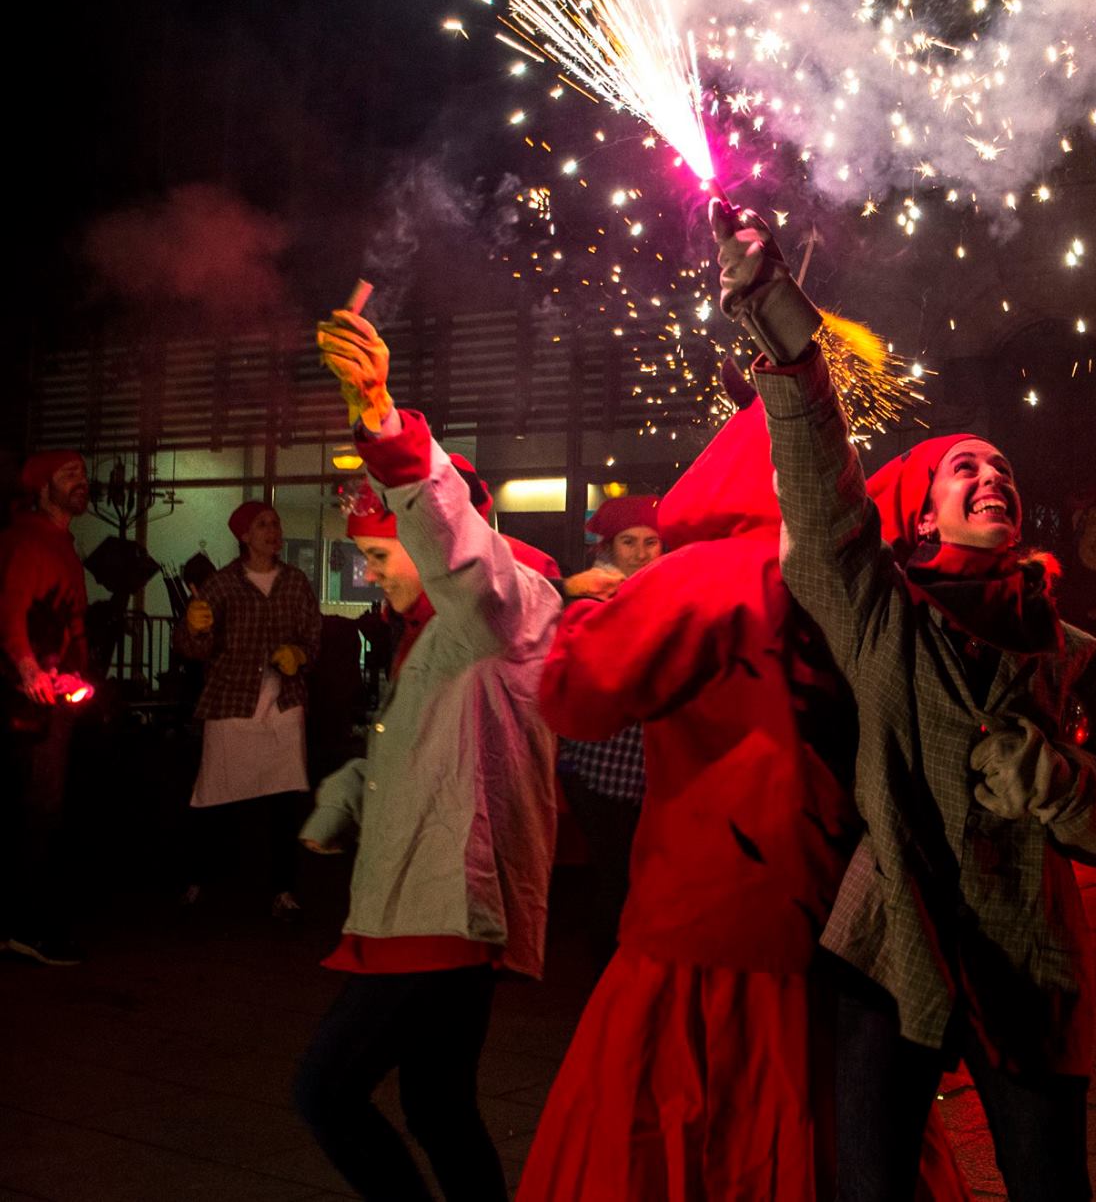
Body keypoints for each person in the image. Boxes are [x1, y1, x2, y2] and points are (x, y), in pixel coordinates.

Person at [712, 200, 1096, 1202]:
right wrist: (778, 323)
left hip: (1029, 957)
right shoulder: (884, 616)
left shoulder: (1082, 660)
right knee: (871, 1189)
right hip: (888, 946)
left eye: (1002, 468)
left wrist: (1050, 777)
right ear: (923, 513)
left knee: (1050, 1187)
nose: (990, 476)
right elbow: (819, 491)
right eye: (964, 467)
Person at [518, 402, 968, 1202]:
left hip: (703, 918)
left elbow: (574, 698)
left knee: (679, 1134)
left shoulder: (699, 574)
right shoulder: (862, 579)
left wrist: (587, 607)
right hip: (841, 914)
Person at [292, 307, 561, 1202]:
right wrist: (343, 796)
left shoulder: (503, 605)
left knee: (327, 1090)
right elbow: (409, 750)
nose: (369, 571)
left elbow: (458, 552)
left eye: (378, 555)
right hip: (424, 899)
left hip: (443, 903)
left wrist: (380, 414)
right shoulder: (429, 632)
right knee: (440, 1105)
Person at [172, 500, 321, 917]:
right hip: (231, 702)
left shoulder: (295, 583)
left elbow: (313, 636)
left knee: (284, 801)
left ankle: (283, 889)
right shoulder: (222, 584)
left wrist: (300, 654)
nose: (273, 531)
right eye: (262, 525)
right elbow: (190, 647)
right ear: (244, 535)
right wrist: (193, 628)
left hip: (283, 704)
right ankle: (199, 879)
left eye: (275, 523)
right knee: (215, 797)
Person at [554, 492, 661, 970]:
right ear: (609, 547)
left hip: (637, 760)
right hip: (597, 758)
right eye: (629, 542)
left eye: (650, 542)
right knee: (619, 871)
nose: (640, 552)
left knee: (628, 870)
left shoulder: (659, 588)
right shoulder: (596, 593)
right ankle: (612, 970)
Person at [1, 450, 92, 966]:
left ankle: (17, 923)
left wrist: (79, 674)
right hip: (28, 701)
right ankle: (27, 928)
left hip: (50, 696)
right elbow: (10, 609)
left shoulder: (59, 544)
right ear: (42, 487)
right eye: (68, 475)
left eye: (82, 473)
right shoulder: (30, 541)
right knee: (37, 810)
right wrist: (29, 669)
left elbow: (69, 619)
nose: (82, 481)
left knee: (35, 809)